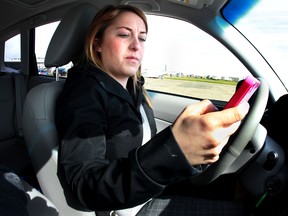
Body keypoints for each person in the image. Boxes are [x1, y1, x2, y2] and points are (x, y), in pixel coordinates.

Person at [55, 4, 250, 216]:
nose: (136, 46)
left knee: (234, 188)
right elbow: (86, 185)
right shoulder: (84, 92)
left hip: (148, 189)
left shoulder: (134, 88)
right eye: (123, 34)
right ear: (98, 43)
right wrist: (172, 151)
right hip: (127, 208)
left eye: (142, 38)